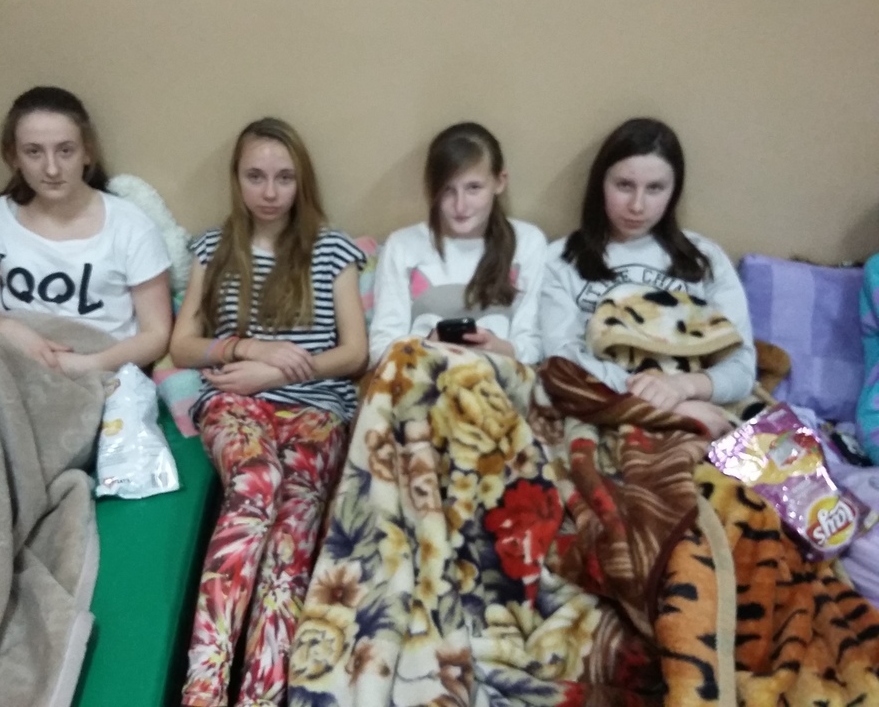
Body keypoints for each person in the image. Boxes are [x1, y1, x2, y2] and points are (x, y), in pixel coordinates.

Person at [169, 117, 367, 707]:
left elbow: (354, 353)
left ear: (302, 182)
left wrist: (279, 373)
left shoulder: (333, 249)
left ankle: (261, 695)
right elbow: (183, 346)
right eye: (255, 176)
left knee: (293, 529)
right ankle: (204, 689)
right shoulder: (213, 247)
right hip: (236, 403)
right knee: (256, 483)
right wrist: (248, 350)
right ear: (237, 179)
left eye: (284, 177)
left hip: (317, 410)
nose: (270, 191)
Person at [541, 117, 755, 436]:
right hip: (605, 411)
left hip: (703, 407)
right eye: (624, 185)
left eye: (655, 188)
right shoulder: (560, 259)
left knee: (784, 457)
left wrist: (681, 388)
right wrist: (667, 406)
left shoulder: (704, 258)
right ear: (601, 183)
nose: (637, 205)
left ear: (674, 190)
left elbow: (742, 368)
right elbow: (563, 363)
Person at [0, 85, 172, 373]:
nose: (52, 169)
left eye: (65, 151)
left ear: (87, 152)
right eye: (33, 152)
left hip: (98, 361)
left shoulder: (131, 226)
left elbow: (156, 334)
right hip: (16, 356)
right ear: (14, 157)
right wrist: (10, 330)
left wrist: (87, 364)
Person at [368, 121, 547, 366]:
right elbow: (381, 348)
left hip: (498, 377)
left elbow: (533, 345)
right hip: (424, 376)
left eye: (474, 188)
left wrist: (499, 348)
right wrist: (426, 347)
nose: (460, 206)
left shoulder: (527, 242)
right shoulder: (402, 245)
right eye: (447, 190)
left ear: (499, 182)